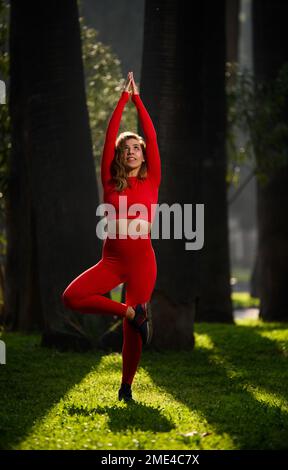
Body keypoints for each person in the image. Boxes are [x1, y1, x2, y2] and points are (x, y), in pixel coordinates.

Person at [62, 72, 161, 402]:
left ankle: (126, 388)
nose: (132, 151)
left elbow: (152, 135)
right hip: (112, 262)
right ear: (120, 156)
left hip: (142, 264)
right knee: (71, 297)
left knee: (131, 336)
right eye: (126, 149)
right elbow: (108, 139)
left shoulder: (151, 182)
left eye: (137, 148)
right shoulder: (110, 181)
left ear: (144, 156)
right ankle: (131, 312)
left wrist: (140, 101)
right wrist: (122, 100)